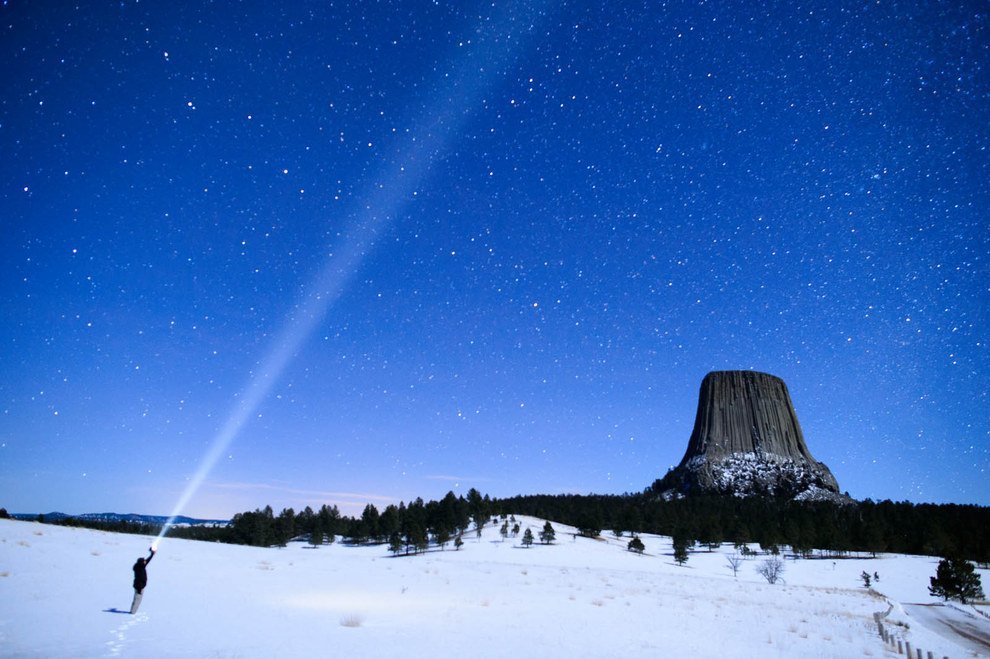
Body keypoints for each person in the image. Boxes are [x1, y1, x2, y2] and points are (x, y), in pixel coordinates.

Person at [130, 546, 156, 614]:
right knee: (137, 599)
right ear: (141, 563)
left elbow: (148, 560)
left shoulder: (139, 566)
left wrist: (152, 553)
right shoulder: (140, 569)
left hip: (138, 585)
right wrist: (139, 589)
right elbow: (140, 579)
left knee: (136, 599)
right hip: (139, 586)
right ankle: (132, 613)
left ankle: (132, 610)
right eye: (144, 561)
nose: (145, 561)